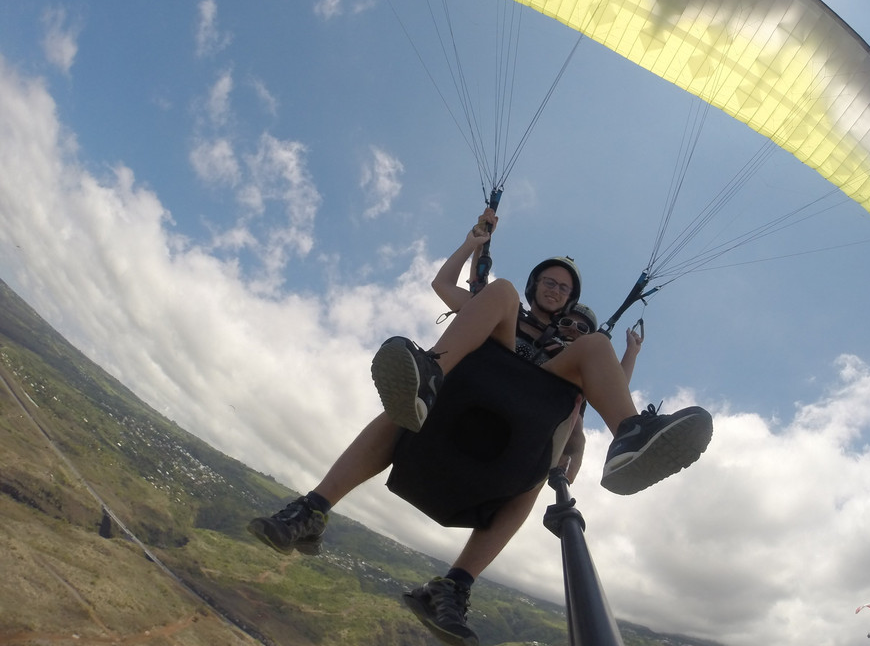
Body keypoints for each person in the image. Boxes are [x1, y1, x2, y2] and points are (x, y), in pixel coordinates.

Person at [248, 210, 711, 645]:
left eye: (564, 290)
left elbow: (600, 385)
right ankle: (317, 504)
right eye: (549, 283)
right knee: (485, 309)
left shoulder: (576, 354)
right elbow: (442, 283)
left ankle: (455, 584)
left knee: (554, 434)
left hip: (516, 445)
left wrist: (610, 381)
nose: (556, 293)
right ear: (539, 288)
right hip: (464, 403)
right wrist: (474, 243)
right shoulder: (501, 308)